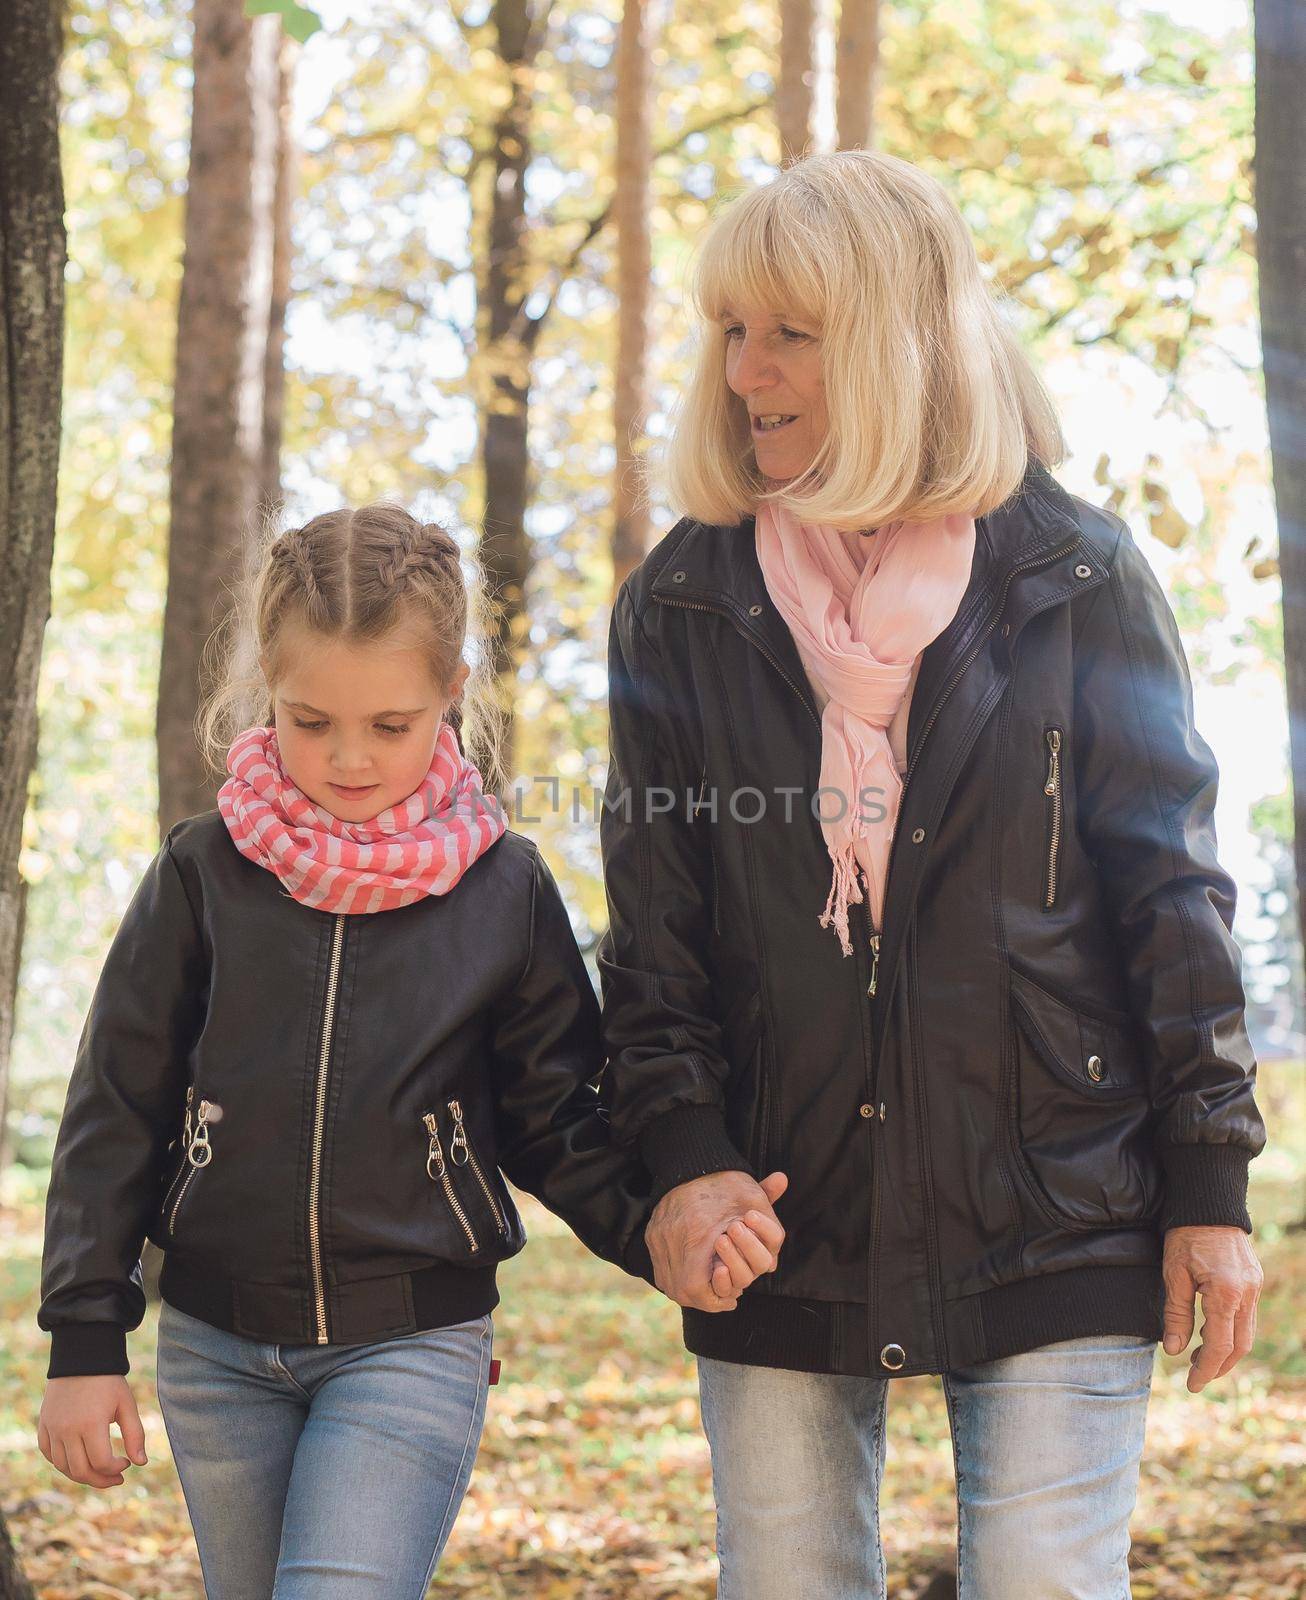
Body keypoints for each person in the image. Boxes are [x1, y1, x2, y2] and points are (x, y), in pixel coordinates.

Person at [597, 150, 1267, 1599]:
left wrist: (1207, 1179)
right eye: (729, 331)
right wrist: (684, 1157)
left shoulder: (1075, 577)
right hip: (776, 1210)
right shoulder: (679, 604)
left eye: (791, 334)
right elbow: (654, 936)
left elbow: (1168, 894)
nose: (744, 371)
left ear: (899, 343)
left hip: (1060, 1201)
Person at [34, 503, 781, 1599]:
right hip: (215, 1347)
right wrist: (84, 1339)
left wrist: (659, 1230)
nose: (346, 758)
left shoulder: (504, 887)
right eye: (307, 721)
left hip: (411, 1342)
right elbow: (117, 1110)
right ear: (265, 694)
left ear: (452, 691)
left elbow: (555, 1116)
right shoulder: (204, 873)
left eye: (390, 724)